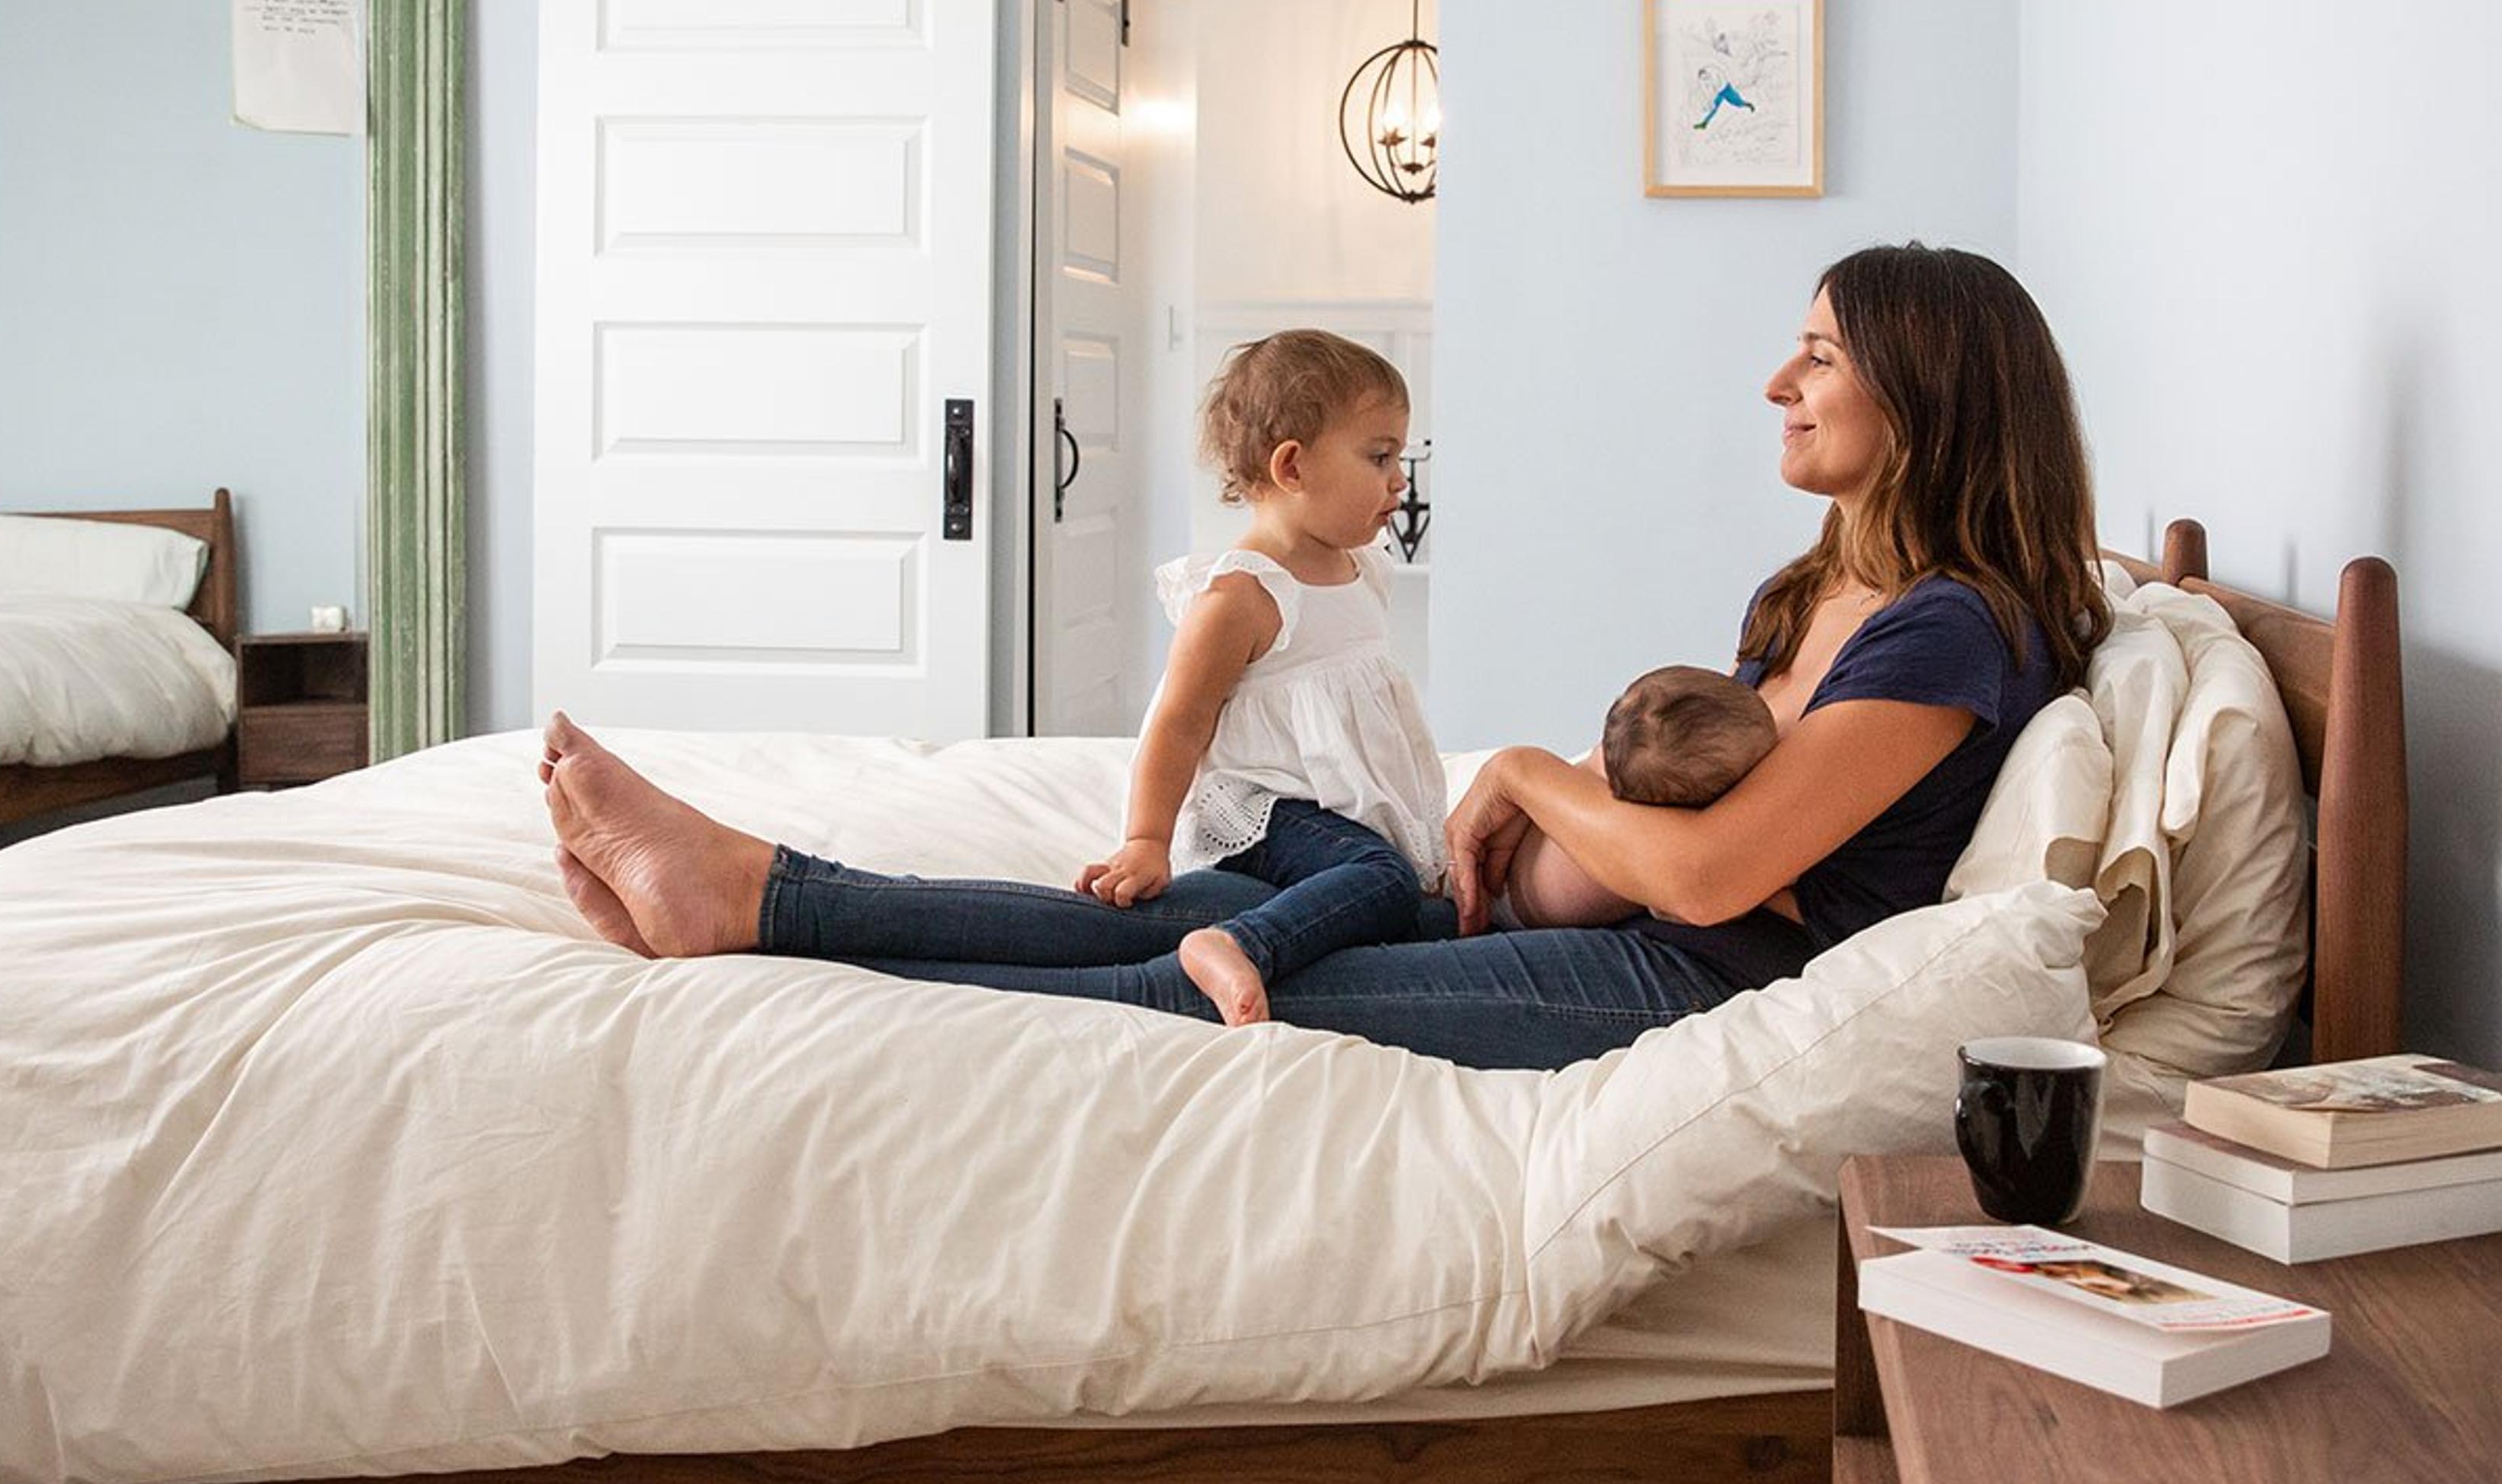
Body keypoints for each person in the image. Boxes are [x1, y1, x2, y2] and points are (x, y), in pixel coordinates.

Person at [542, 242, 2110, 1074]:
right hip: (1599, 915)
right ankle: (760, 889)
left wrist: (1525, 775)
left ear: (1927, 392)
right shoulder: (1822, 587)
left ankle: (760, 929)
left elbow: (1710, 881)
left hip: (1683, 979)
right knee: (1188, 916)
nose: (1779, 379)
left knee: (1182, 991)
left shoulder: (1950, 628)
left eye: (1819, 355)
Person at [1077, 330, 1443, 1029]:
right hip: (1265, 811)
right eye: (1380, 457)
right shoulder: (1243, 594)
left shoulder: (1363, 569)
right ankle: (1237, 943)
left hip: (1332, 814)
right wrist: (1146, 839)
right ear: (1292, 466)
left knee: (1419, 907)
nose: (1400, 479)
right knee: (1381, 878)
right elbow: (1178, 724)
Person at [1500, 666, 1778, 931]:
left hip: (1505, 847)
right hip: (1509, 903)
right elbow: (1676, 907)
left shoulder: (1607, 759)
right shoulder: (1652, 845)